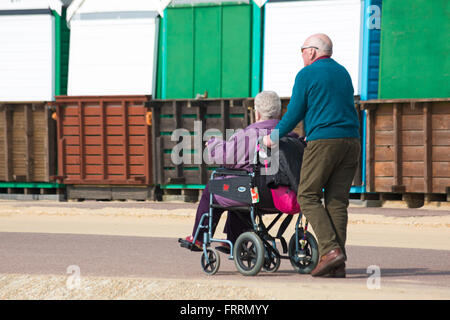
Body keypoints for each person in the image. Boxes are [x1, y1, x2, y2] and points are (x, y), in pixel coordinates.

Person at [263, 34, 361, 278]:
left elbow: (294, 111)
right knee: (337, 201)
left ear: (314, 51)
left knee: (307, 194)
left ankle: (330, 251)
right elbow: (334, 107)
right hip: (351, 141)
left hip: (324, 142)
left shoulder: (306, 74)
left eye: (303, 50)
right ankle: (337, 265)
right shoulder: (344, 73)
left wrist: (272, 137)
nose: (302, 54)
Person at [183, 91, 303, 253]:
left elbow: (225, 157)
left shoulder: (247, 136)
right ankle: (232, 240)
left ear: (257, 113)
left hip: (254, 194)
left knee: (217, 187)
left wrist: (213, 144)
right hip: (283, 196)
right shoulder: (292, 137)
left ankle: (199, 237)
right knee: (241, 186)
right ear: (279, 113)